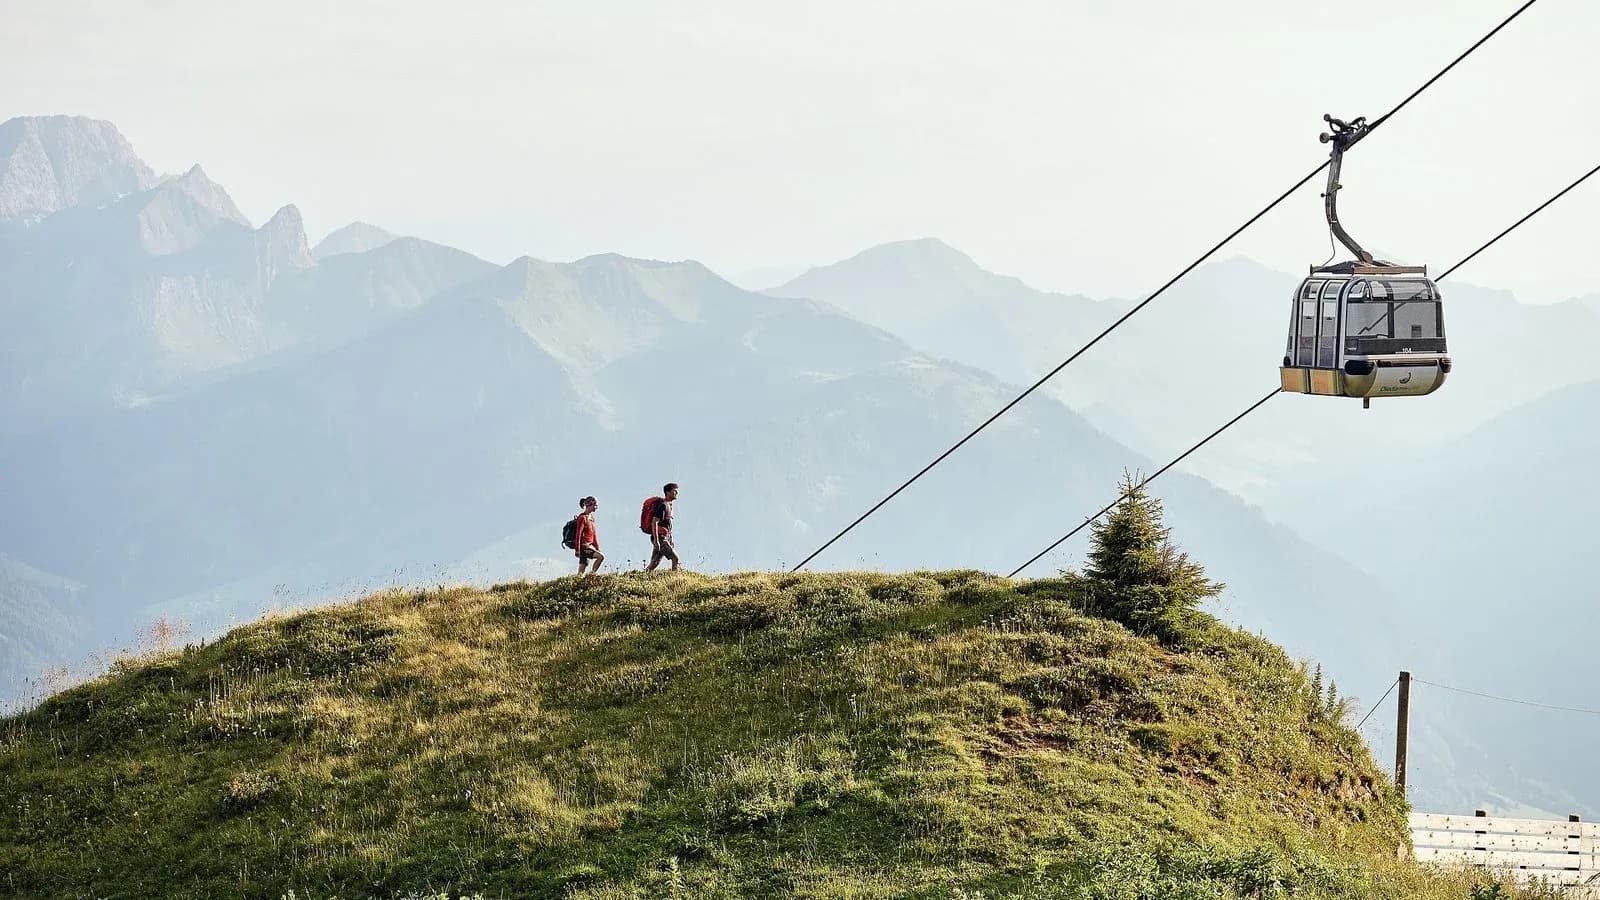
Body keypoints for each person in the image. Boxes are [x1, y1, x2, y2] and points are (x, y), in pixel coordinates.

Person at [644, 482, 680, 572]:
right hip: (660, 538)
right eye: (674, 491)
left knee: (654, 563)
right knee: (675, 559)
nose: (676, 493)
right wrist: (657, 541)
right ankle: (675, 582)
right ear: (668, 492)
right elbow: (654, 522)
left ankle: (638, 578)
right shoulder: (663, 506)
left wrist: (670, 541)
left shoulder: (669, 506)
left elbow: (667, 527)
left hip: (663, 538)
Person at [574, 496, 603, 576]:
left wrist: (597, 548)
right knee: (601, 557)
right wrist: (577, 550)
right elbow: (578, 534)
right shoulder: (582, 518)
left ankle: (577, 584)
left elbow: (594, 535)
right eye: (595, 505)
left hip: (588, 546)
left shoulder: (591, 518)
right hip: (584, 547)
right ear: (589, 504)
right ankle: (592, 576)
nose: (596, 507)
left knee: (582, 567)